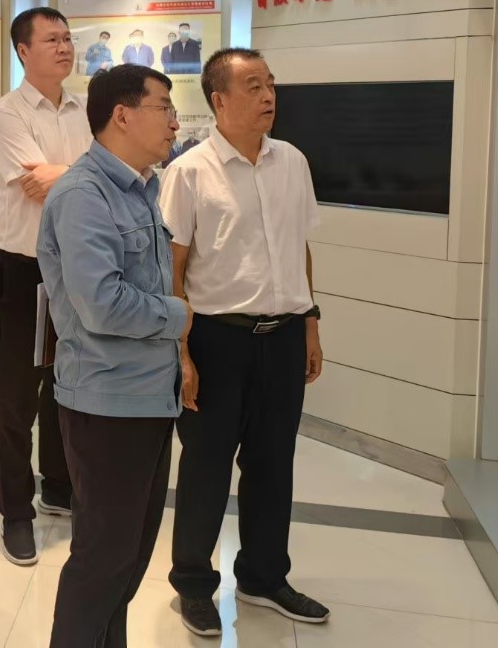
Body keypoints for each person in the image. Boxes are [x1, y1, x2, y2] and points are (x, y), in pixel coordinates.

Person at [160, 48, 329, 638]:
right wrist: (181, 352)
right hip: (216, 341)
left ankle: (262, 576)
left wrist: (310, 321)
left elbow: (299, 247)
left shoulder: (293, 162)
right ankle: (193, 584)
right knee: (206, 468)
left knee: (272, 464)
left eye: (270, 84)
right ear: (219, 100)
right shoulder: (190, 171)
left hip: (283, 337)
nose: (268, 95)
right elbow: (173, 267)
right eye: (253, 85)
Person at [39, 64, 190, 648]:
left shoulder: (142, 189)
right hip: (106, 403)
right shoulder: (84, 195)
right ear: (122, 115)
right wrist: (178, 316)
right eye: (164, 107)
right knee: (103, 560)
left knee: (128, 557)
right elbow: (101, 305)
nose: (174, 122)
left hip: (148, 395)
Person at [0, 6, 93, 566]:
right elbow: (37, 185)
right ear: (23, 51)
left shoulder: (87, 109)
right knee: (16, 395)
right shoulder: (7, 113)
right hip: (23, 269)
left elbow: (105, 176)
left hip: (76, 268)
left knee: (65, 381)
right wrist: (83, 177)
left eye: (68, 37)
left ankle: (57, 485)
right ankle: (15, 512)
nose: (65, 46)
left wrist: (66, 175)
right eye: (52, 39)